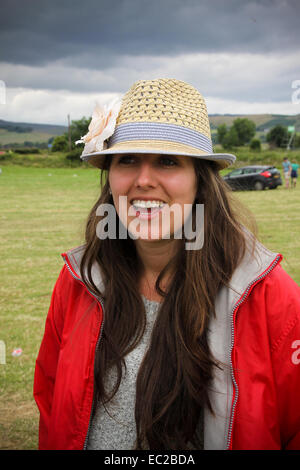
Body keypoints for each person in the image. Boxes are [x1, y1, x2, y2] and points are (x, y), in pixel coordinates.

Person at [33, 78, 300, 450]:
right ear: (109, 177)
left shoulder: (268, 294)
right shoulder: (79, 279)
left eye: (168, 161)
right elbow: (50, 404)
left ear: (199, 181)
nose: (144, 180)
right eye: (127, 159)